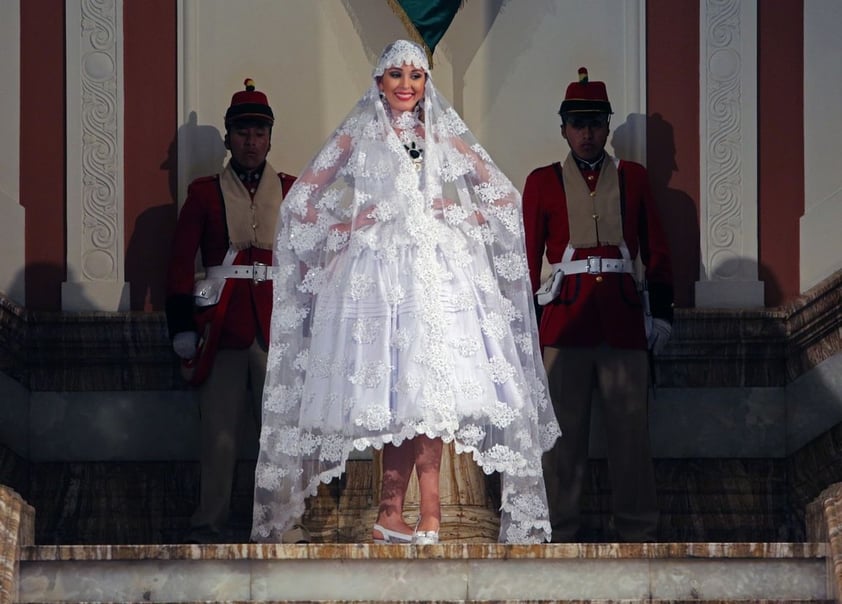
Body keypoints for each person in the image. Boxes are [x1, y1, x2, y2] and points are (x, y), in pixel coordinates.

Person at [251, 40, 560, 545]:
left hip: (433, 273)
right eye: (396, 75)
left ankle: (431, 512)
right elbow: (300, 202)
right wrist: (349, 223)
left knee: (428, 388)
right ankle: (390, 513)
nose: (406, 85)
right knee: (393, 395)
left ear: (425, 86)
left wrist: (453, 213)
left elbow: (503, 197)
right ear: (379, 82)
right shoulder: (357, 138)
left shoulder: (439, 137)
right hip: (376, 277)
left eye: (415, 76)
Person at [522, 67, 674, 542]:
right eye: (577, 124)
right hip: (563, 326)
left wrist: (663, 316)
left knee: (631, 437)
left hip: (624, 323)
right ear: (563, 128)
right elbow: (526, 257)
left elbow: (657, 249)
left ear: (606, 128)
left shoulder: (634, 178)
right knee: (561, 441)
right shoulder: (542, 182)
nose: (586, 134)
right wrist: (523, 327)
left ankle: (638, 532)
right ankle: (559, 532)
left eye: (594, 124)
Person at [165, 79, 309, 544]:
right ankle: (209, 524)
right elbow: (179, 263)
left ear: (270, 138)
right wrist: (181, 327)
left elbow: (307, 259)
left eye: (260, 132)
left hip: (276, 326)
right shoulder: (204, 193)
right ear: (229, 138)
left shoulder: (291, 190)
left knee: (281, 434)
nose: (251, 141)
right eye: (243, 132)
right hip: (222, 327)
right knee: (219, 436)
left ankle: (284, 524)